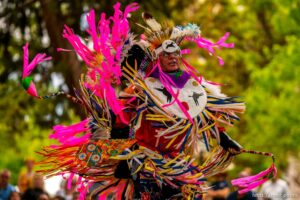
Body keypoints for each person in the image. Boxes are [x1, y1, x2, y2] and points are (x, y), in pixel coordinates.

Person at [21, 2, 277, 199]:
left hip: (174, 163)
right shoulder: (135, 93)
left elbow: (204, 114)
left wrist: (225, 140)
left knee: (192, 189)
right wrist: (122, 160)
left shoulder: (180, 88)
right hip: (146, 161)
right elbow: (118, 120)